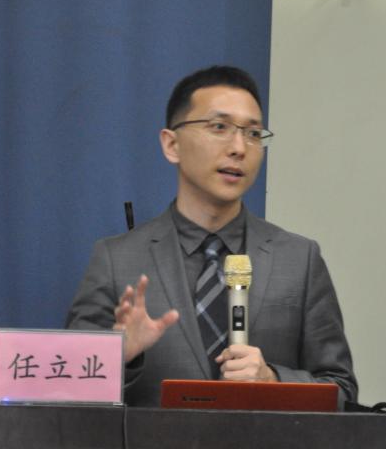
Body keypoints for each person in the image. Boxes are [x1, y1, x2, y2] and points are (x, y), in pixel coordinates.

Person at [66, 65, 357, 407]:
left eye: (253, 133)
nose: (239, 147)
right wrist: (120, 358)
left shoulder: (298, 259)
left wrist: (273, 380)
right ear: (172, 144)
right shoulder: (116, 260)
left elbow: (342, 391)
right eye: (219, 127)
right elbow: (67, 392)